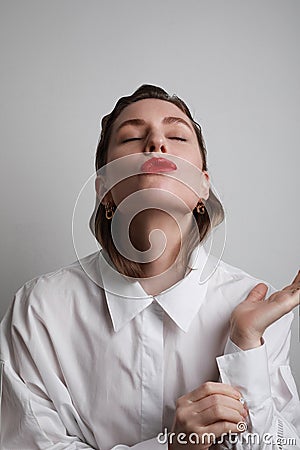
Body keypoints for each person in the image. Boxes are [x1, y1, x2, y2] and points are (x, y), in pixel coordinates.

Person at [0, 84, 299, 450]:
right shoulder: (39, 309)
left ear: (203, 186)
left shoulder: (259, 307)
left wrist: (246, 347)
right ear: (104, 189)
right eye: (130, 138)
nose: (157, 142)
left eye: (176, 135)